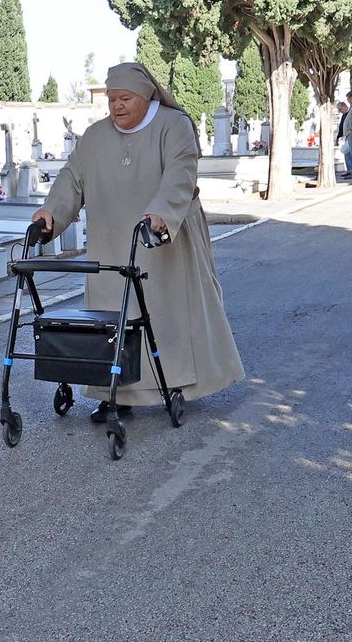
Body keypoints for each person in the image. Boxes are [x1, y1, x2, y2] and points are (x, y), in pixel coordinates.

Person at [32, 62, 244, 422]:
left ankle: (173, 382)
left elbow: (180, 174)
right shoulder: (95, 137)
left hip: (162, 240)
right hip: (111, 242)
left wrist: (161, 212)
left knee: (168, 315)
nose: (117, 106)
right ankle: (115, 393)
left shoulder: (174, 127)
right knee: (114, 320)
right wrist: (51, 212)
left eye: (125, 98)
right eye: (112, 99)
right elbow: (72, 179)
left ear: (145, 95)